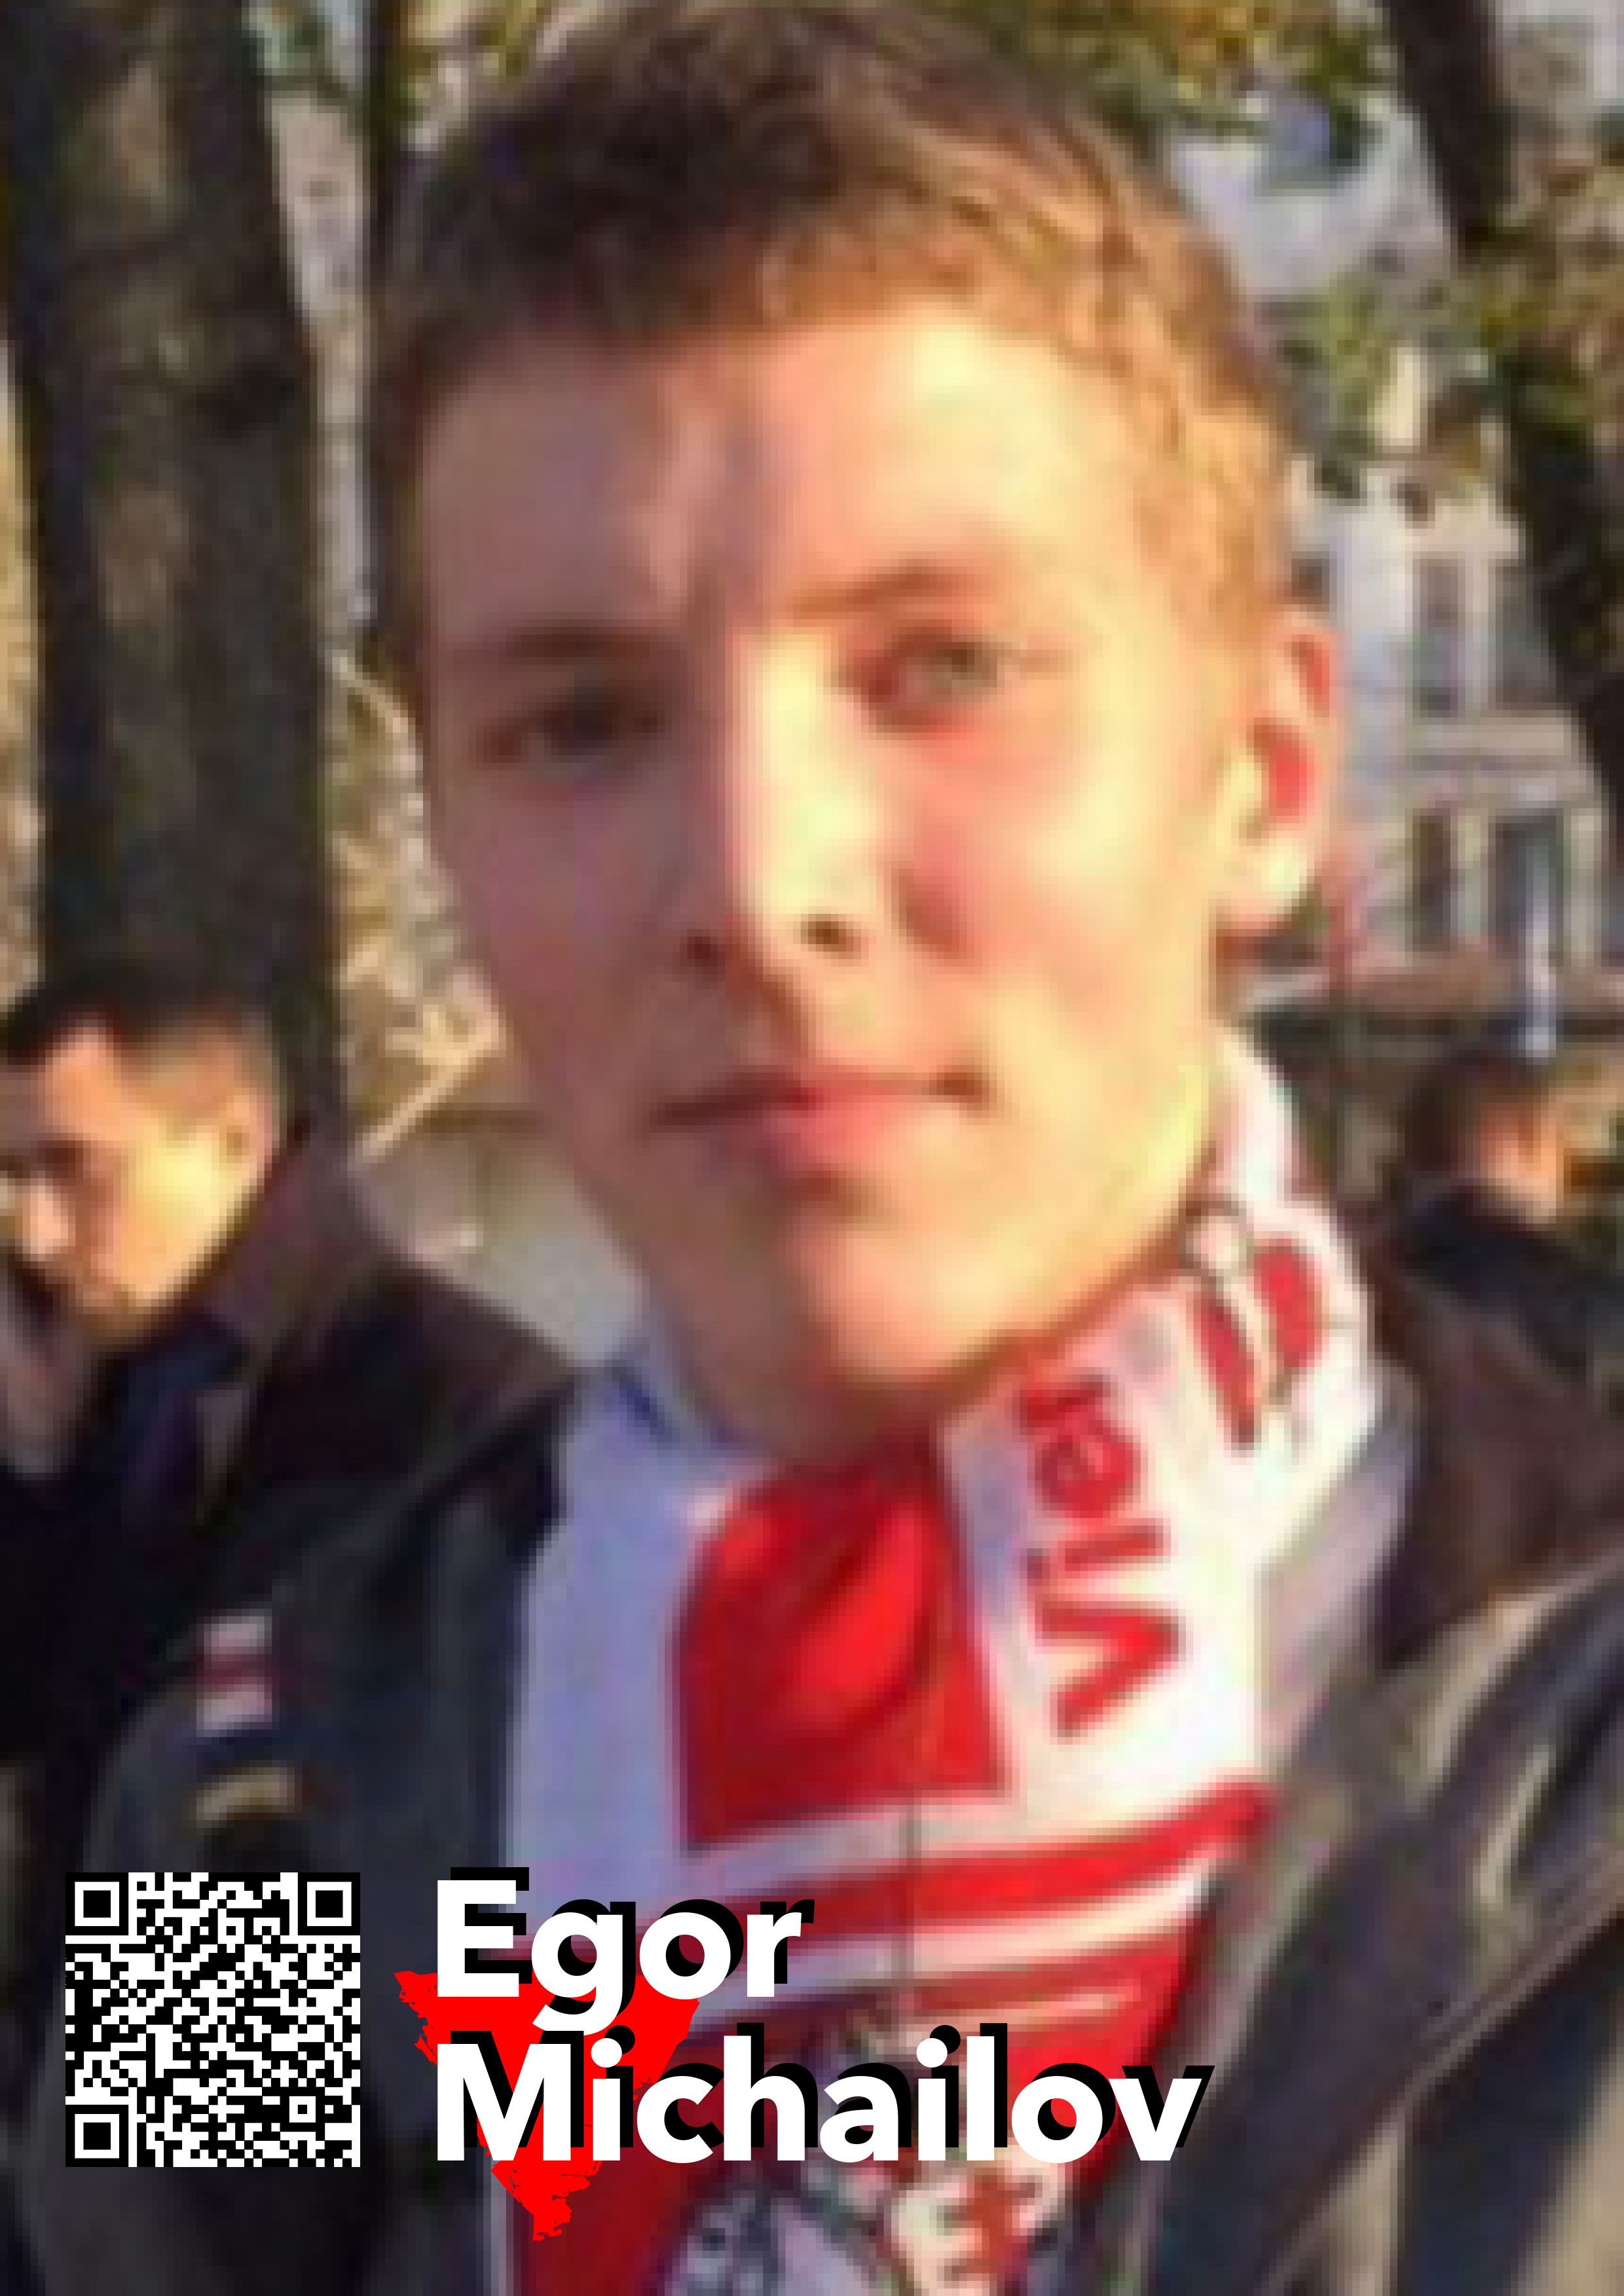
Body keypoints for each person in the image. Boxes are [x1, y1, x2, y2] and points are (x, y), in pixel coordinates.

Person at [16, 6, 1624, 2292]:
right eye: (581, 718)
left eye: (939, 667)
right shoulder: (239, 1807)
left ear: (1265, 774)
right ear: (450, 826)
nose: (757, 881)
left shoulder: (1572, 1745)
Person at [0, 953, 553, 2146]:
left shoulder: (448, 1403)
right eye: (9, 1177)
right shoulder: (94, 1375)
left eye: (75, 1169)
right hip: (100, 2096)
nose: (34, 1231)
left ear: (233, 1142)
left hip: (312, 2119)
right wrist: (35, 1475)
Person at [1386, 1042, 1624, 1393]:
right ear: (1521, 1140)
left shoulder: (1384, 1255)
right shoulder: (1508, 1259)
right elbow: (1602, 1318)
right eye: (1559, 1147)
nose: (1564, 1175)